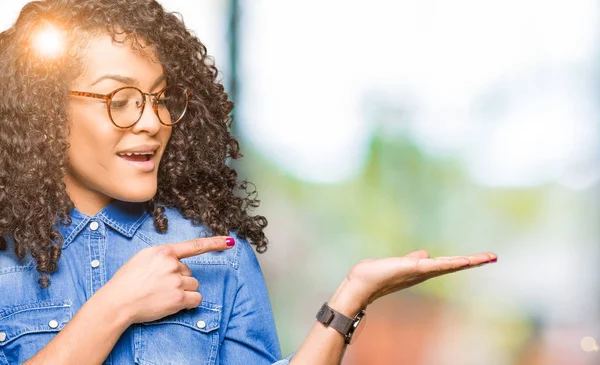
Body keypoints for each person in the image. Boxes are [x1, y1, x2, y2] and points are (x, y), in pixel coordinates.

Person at [0, 1, 498, 364]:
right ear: (47, 113)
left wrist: (351, 297)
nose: (152, 122)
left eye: (160, 98)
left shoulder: (216, 253)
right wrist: (116, 306)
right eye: (121, 99)